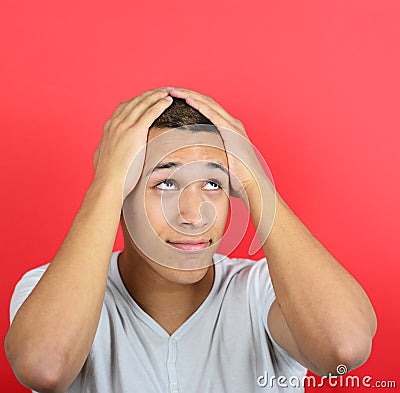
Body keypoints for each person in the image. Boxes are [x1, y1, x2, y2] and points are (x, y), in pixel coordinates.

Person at [5, 87, 377, 393]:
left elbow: (343, 348)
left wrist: (256, 183)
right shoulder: (47, 291)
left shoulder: (263, 292)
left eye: (213, 184)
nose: (196, 215)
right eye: (165, 183)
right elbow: (44, 368)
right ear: (122, 191)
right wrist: (106, 183)